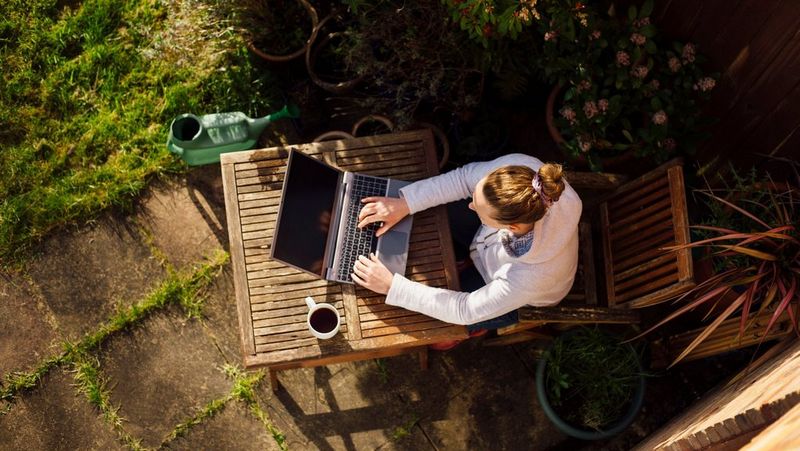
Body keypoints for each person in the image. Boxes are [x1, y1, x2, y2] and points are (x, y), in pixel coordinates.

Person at [352, 153, 582, 348]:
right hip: (491, 246)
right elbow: (463, 179)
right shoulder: (521, 173)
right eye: (475, 198)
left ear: (511, 227)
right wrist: (406, 203)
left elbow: (465, 308)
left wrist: (393, 287)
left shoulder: (531, 277)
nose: (470, 205)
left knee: (438, 328)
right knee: (443, 210)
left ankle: (479, 328)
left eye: (479, 210)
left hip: (518, 293)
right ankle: (467, 257)